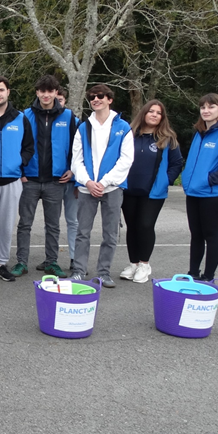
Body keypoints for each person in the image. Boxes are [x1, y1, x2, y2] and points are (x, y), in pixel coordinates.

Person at [69, 84, 134, 287]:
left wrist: (104, 182)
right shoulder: (83, 127)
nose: (95, 99)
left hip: (112, 188)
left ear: (109, 99)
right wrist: (88, 181)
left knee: (110, 233)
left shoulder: (123, 127)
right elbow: (76, 160)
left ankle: (104, 272)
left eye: (100, 96)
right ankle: (79, 270)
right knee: (82, 232)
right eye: (92, 97)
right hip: (87, 188)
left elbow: (126, 160)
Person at [14, 75, 77, 277]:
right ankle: (21, 262)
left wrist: (72, 169)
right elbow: (18, 146)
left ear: (56, 93)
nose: (46, 95)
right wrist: (21, 171)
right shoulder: (24, 116)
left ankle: (52, 262)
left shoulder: (68, 116)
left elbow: (77, 148)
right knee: (25, 224)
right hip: (29, 180)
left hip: (55, 181)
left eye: (50, 91)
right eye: (42, 91)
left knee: (53, 225)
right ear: (37, 92)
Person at [0, 76, 35, 285]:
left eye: (1, 90)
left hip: (12, 180)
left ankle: (1, 263)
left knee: (6, 224)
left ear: (8, 91)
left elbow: (29, 147)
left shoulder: (20, 118)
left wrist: (20, 162)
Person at [119, 100, 183, 283]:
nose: (154, 115)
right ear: (144, 114)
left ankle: (144, 264)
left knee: (145, 226)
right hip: (129, 189)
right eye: (151, 111)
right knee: (132, 227)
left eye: (158, 113)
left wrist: (166, 181)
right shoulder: (129, 135)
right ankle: (133, 264)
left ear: (162, 117)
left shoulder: (167, 138)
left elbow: (177, 163)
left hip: (153, 192)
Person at [181, 93, 218, 281]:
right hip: (194, 193)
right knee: (196, 235)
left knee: (211, 236)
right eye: (203, 107)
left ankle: (208, 276)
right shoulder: (198, 133)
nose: (206, 111)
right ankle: (193, 274)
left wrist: (208, 180)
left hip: (212, 195)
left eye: (211, 107)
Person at [55, 88, 79, 272]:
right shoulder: (41, 121)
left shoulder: (74, 122)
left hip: (72, 181)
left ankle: (74, 258)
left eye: (60, 100)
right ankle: (51, 259)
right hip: (52, 181)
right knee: (52, 222)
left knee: (73, 221)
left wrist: (74, 172)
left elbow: (82, 152)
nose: (57, 103)